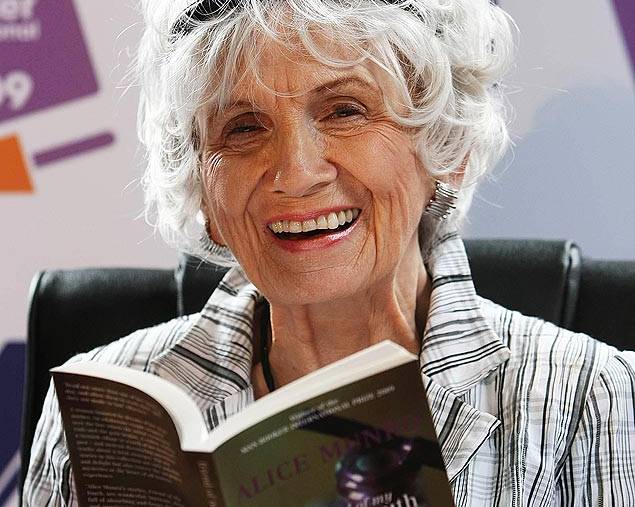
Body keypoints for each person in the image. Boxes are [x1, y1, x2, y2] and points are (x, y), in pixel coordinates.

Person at [24, 0, 635, 505]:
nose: (295, 173)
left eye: (345, 111)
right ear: (204, 190)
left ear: (446, 146)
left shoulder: (590, 399)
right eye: (244, 127)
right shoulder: (98, 413)